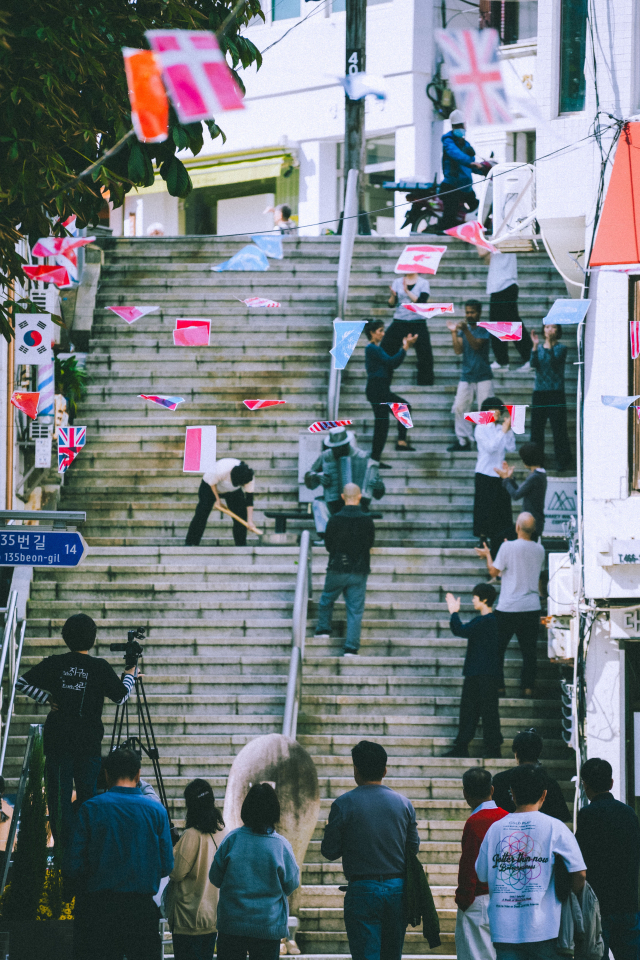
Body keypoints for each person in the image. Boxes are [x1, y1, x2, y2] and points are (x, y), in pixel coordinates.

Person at [15, 613, 137, 843]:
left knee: (58, 799)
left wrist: (46, 697)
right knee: (87, 797)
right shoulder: (99, 667)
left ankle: (63, 846)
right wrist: (130, 675)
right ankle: (84, 844)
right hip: (88, 743)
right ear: (92, 638)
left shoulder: (55, 663)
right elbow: (121, 697)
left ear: (66, 637)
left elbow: (21, 682)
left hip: (57, 741)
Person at [65, 748, 174, 960]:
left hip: (99, 910)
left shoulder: (90, 808)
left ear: (106, 774)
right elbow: (167, 865)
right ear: (138, 775)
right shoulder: (157, 811)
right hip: (141, 910)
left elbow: (73, 863)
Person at [321, 740, 420, 960]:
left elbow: (329, 851)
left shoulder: (343, 804)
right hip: (397, 889)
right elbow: (413, 847)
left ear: (355, 770)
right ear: (384, 770)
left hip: (362, 890)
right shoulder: (404, 804)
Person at [476, 764, 586, 959]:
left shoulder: (495, 830)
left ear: (512, 793)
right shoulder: (556, 827)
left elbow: (482, 874)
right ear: (544, 794)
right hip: (545, 929)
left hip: (504, 930)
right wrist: (566, 896)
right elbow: (580, 874)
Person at [210, 782, 299, 960]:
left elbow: (215, 877)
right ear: (274, 811)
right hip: (268, 926)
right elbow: (291, 884)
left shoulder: (232, 840)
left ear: (247, 809)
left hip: (232, 925)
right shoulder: (281, 846)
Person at [576, 757, 640, 960]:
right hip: (628, 902)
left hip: (599, 905)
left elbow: (579, 858)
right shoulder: (629, 813)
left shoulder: (586, 815)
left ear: (585, 785)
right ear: (611, 783)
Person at [476, 513, 545, 697]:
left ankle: (499, 687)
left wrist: (488, 554)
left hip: (508, 607)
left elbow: (494, 572)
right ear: (534, 529)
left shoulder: (507, 547)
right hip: (531, 607)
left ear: (517, 527)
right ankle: (527, 688)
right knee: (529, 652)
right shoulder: (540, 550)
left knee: (497, 650)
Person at [313, 483, 375, 655]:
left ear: (342, 497)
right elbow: (369, 543)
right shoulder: (367, 520)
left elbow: (328, 545)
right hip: (359, 570)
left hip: (337, 567)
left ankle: (323, 630)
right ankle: (351, 648)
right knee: (355, 610)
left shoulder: (334, 519)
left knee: (327, 599)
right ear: (360, 496)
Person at [443, 584, 503, 759]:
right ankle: (490, 747)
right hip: (485, 673)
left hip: (479, 673)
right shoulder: (489, 621)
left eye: (475, 597)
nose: (473, 600)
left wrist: (454, 612)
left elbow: (460, 630)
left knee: (474, 711)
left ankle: (469, 746)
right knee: (484, 711)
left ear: (484, 599)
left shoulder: (485, 621)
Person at [455, 768, 508, 960]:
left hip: (479, 899)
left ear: (465, 793)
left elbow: (469, 864)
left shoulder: (474, 822)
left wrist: (464, 899)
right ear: (492, 790)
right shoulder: (506, 817)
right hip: (507, 896)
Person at [169, 779, 225, 960]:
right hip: (212, 917)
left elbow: (176, 873)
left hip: (188, 920)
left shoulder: (191, 835)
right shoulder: (223, 832)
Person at [305, 425, 384, 532]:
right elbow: (308, 479)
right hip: (333, 503)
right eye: (335, 448)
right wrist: (317, 476)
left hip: (357, 504)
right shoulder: (325, 456)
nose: (338, 450)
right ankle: (326, 535)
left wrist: (379, 487)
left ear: (347, 444)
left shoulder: (362, 456)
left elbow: (378, 493)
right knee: (318, 504)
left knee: (360, 508)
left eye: (341, 447)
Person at [364, 318, 418, 461]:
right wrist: (405, 347)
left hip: (380, 389)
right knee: (383, 424)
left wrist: (405, 347)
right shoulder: (372, 348)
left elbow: (392, 363)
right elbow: (392, 362)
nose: (383, 334)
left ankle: (399, 443)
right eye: (380, 331)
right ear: (372, 333)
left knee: (395, 414)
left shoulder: (376, 348)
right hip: (377, 389)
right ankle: (376, 458)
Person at [491, 729, 571, 822]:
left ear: (515, 752)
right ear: (539, 752)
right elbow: (561, 818)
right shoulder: (551, 784)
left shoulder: (499, 780)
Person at [447, 301, 494, 452]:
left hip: (483, 375)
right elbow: (458, 350)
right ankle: (464, 441)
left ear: (479, 313)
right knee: (460, 407)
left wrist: (466, 330)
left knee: (484, 410)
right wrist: (454, 333)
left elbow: (476, 345)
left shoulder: (484, 329)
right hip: (466, 375)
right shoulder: (464, 331)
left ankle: (485, 441)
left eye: (472, 312)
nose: (469, 315)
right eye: (467, 312)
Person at [472, 397, 516, 558]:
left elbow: (511, 447)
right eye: (493, 409)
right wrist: (503, 431)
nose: (496, 412)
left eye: (498, 409)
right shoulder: (480, 428)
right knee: (484, 507)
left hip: (500, 474)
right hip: (485, 472)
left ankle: (501, 537)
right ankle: (483, 538)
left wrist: (508, 431)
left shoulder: (501, 428)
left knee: (501, 508)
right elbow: (491, 448)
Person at [185, 458, 258, 547]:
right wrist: (217, 499)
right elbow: (212, 483)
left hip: (233, 491)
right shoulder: (221, 469)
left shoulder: (248, 477)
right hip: (209, 486)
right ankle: (191, 542)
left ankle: (241, 545)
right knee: (202, 513)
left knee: (241, 514)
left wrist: (250, 521)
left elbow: (249, 500)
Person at [530, 323, 573, 471]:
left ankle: (563, 460)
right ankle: (536, 461)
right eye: (547, 327)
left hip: (556, 393)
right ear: (543, 330)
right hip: (539, 393)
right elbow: (533, 363)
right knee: (536, 429)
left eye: (553, 327)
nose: (550, 330)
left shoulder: (561, 348)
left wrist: (550, 344)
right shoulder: (539, 348)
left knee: (559, 428)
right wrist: (535, 346)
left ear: (558, 330)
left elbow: (555, 363)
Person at [479, 252, 532, 372]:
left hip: (504, 283)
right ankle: (503, 360)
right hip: (500, 284)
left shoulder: (497, 239)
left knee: (510, 323)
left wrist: (478, 240)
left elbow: (481, 252)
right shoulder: (496, 242)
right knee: (500, 322)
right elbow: (488, 259)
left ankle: (527, 358)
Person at [383, 271, 434, 386]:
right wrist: (393, 296)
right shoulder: (397, 282)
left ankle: (425, 383)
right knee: (386, 350)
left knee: (425, 355)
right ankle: (383, 382)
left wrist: (407, 291)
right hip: (399, 321)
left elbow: (421, 302)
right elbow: (391, 304)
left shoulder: (423, 283)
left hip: (418, 322)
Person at [438, 110, 484, 232]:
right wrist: (469, 162)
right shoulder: (448, 141)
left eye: (462, 125)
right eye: (457, 126)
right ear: (453, 127)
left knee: (479, 210)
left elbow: (472, 164)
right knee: (450, 217)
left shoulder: (465, 144)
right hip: (452, 185)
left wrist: (483, 169)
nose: (461, 128)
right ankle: (444, 234)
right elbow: (455, 154)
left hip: (465, 186)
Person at [494, 442, 547, 541]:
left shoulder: (535, 476)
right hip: (532, 522)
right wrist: (509, 479)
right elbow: (520, 491)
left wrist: (505, 479)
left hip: (530, 524)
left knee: (498, 539)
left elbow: (515, 495)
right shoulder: (539, 474)